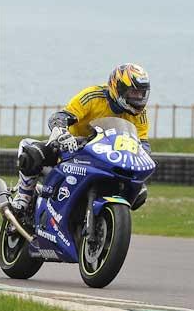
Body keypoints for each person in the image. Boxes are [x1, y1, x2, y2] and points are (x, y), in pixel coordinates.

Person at [12, 63, 151, 211]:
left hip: (108, 158)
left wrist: (143, 157)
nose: (138, 98)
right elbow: (60, 116)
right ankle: (24, 196)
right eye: (133, 93)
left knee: (139, 191)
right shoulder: (92, 96)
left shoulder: (139, 114)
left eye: (141, 94)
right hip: (72, 149)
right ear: (118, 87)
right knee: (33, 153)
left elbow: (142, 143)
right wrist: (61, 131)